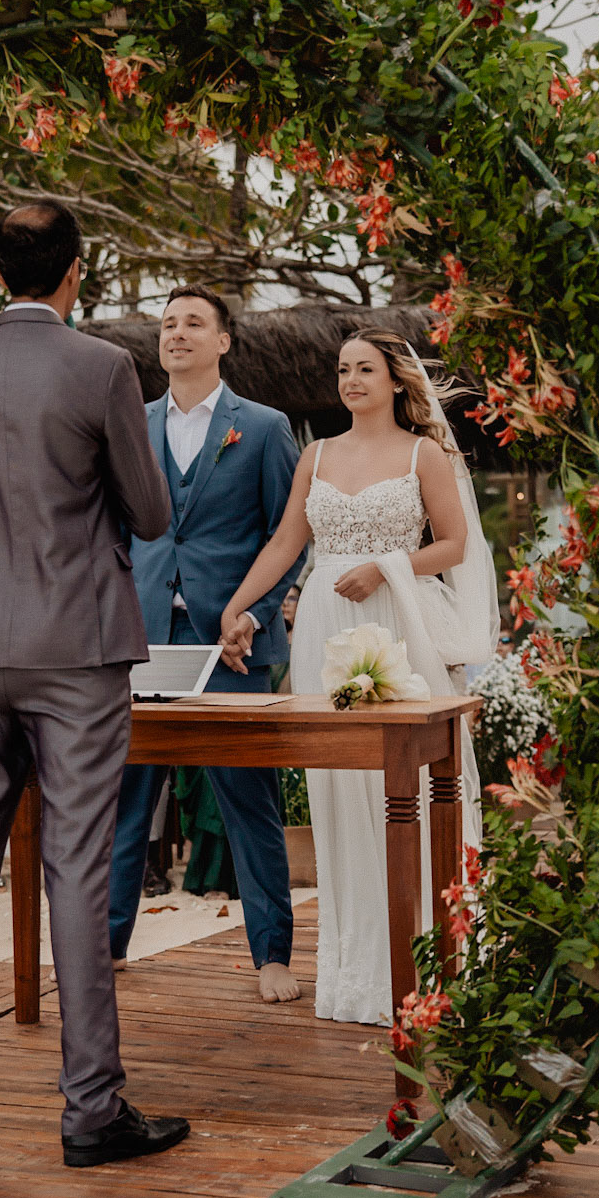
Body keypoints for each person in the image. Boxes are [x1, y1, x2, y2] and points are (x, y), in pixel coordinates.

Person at [0, 197, 185, 1168]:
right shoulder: (103, 366)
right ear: (75, 273)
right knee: (76, 863)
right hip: (79, 648)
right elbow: (149, 513)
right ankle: (91, 1109)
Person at [220, 331, 495, 1025]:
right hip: (325, 626)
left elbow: (455, 544)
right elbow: (287, 541)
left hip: (401, 624)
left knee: (408, 785)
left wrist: (385, 566)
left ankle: (433, 962)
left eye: (363, 368)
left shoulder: (422, 453)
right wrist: (239, 604)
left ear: (395, 380)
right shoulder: (315, 454)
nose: (350, 379)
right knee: (341, 789)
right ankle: (360, 971)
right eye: (342, 370)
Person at [109, 285, 304, 1003]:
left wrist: (253, 607)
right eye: (167, 324)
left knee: (247, 801)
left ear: (223, 341)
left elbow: (290, 533)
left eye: (194, 323)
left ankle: (271, 957)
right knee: (124, 800)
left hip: (233, 645)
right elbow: (112, 534)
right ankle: (105, 949)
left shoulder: (262, 427)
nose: (177, 333)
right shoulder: (127, 424)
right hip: (142, 638)